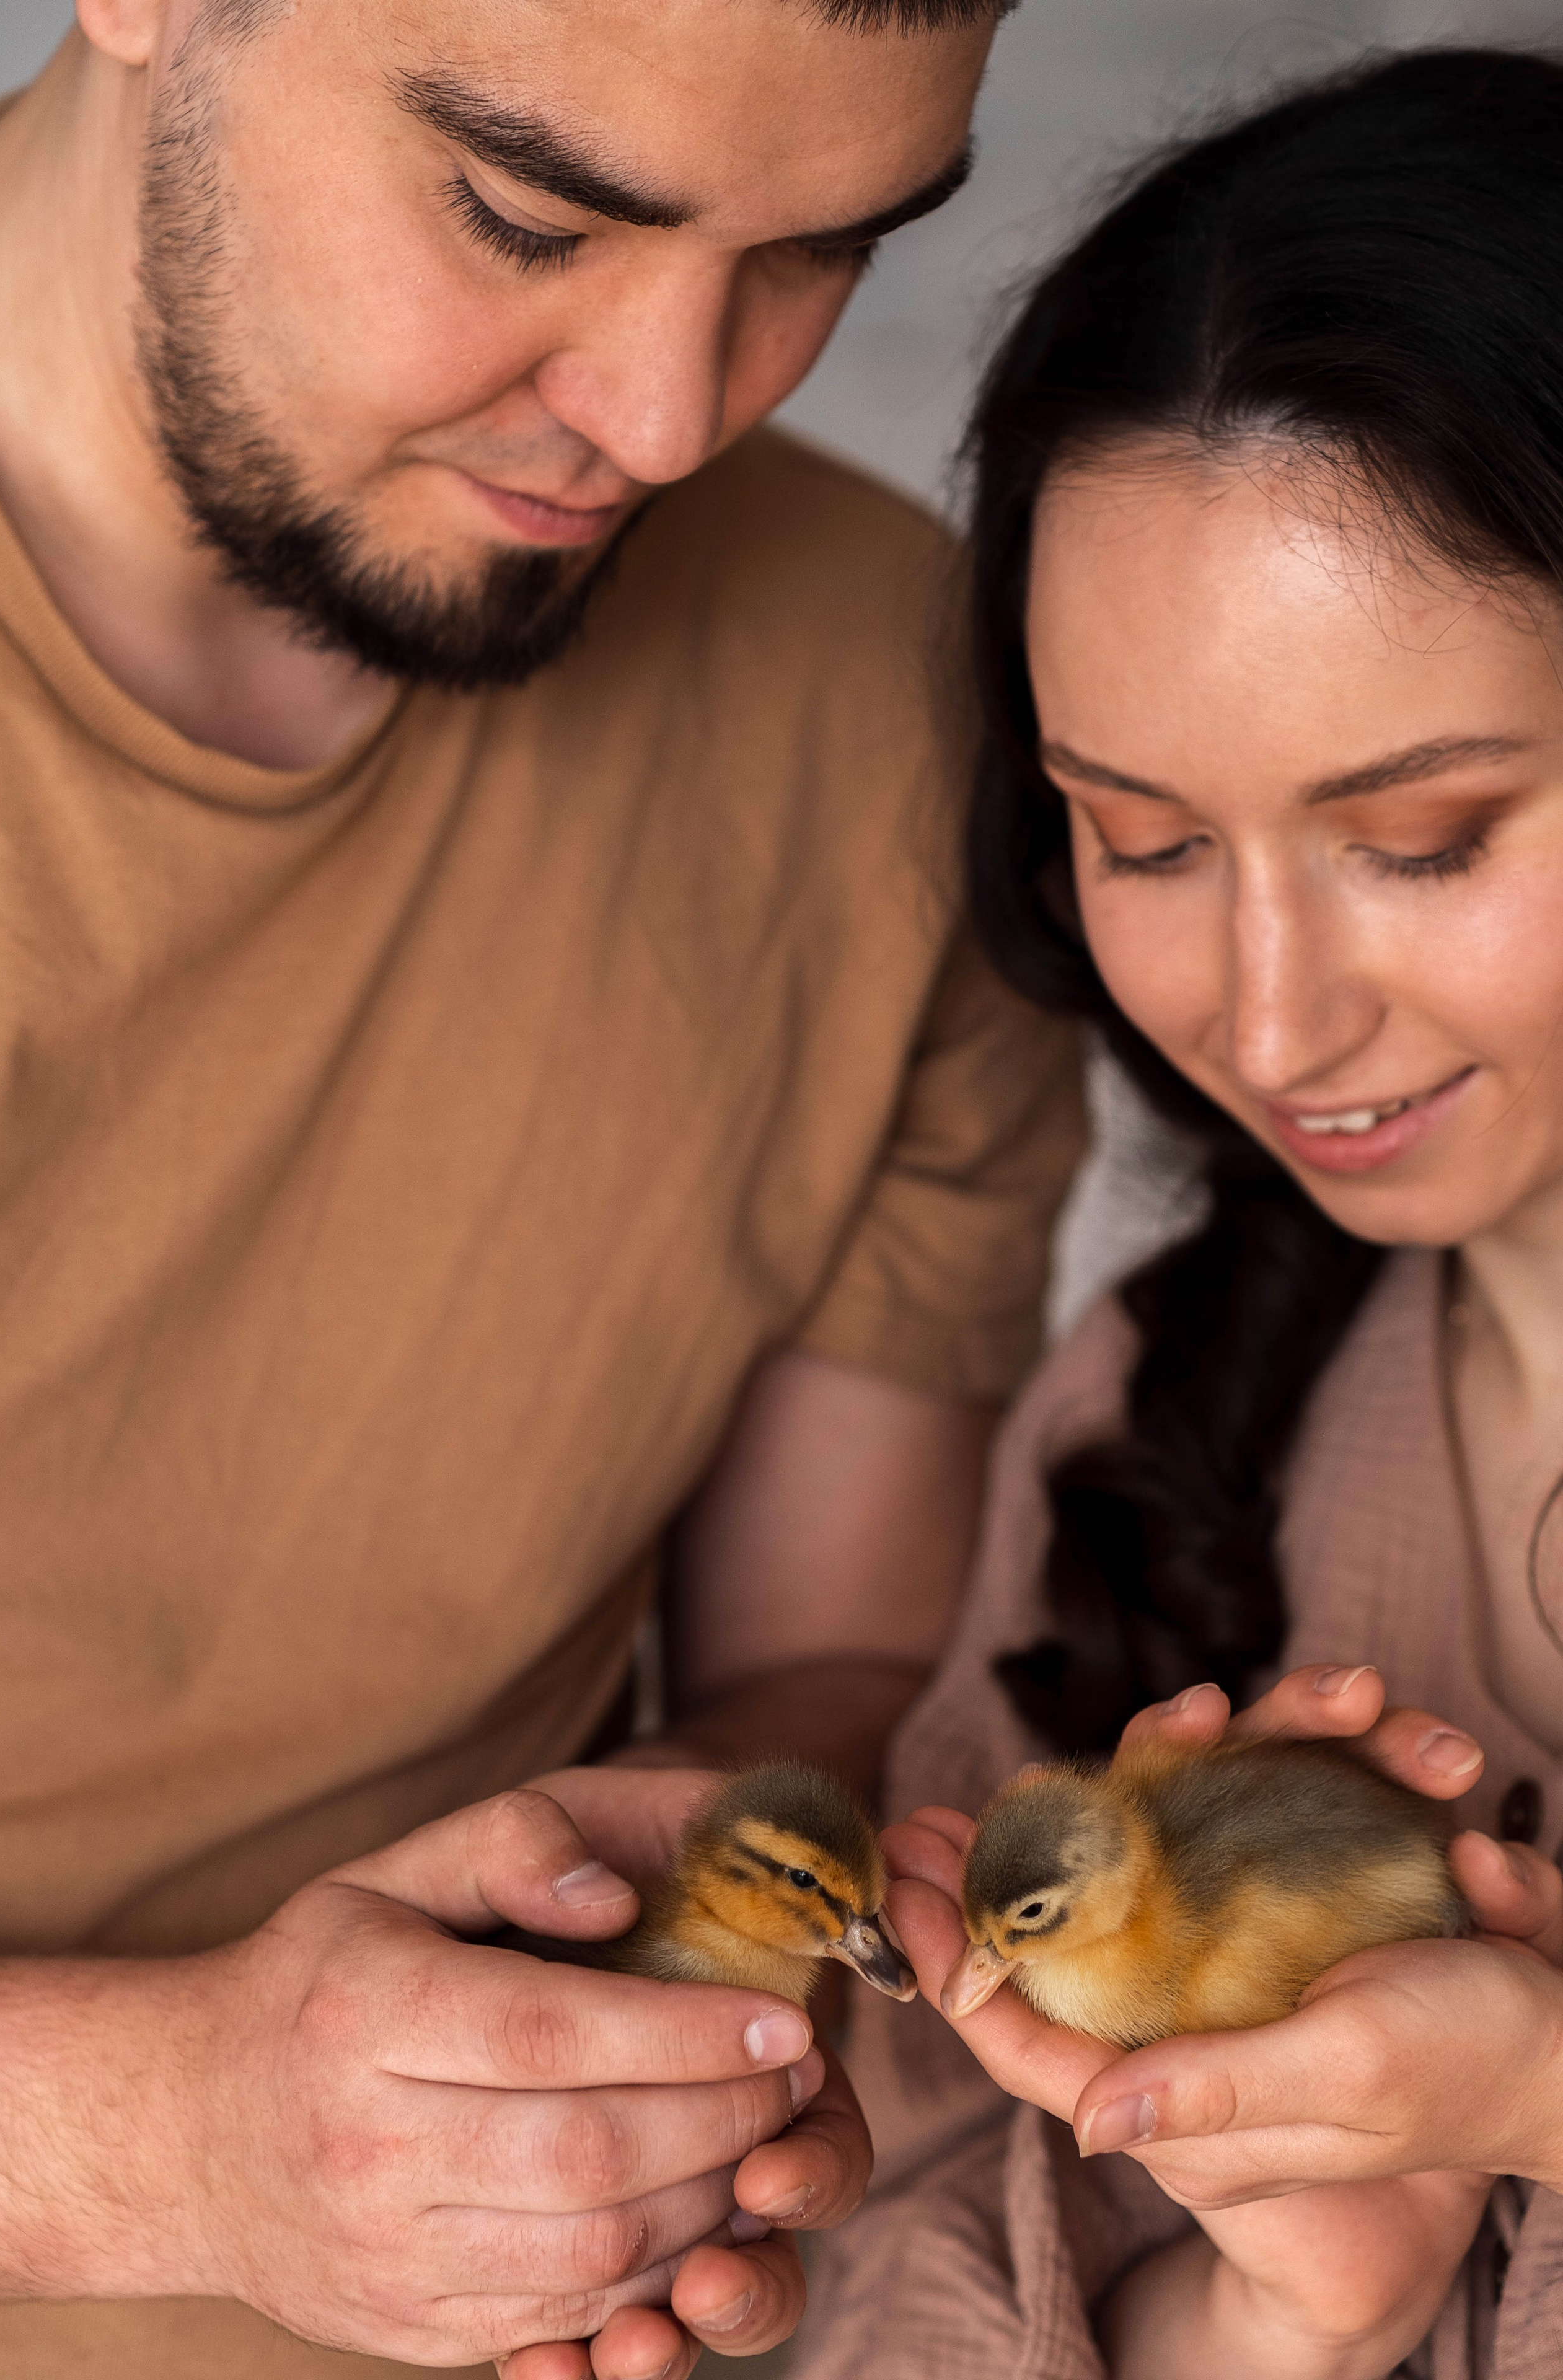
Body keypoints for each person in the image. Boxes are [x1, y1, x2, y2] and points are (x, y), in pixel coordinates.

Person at [0, 1, 1090, 2376]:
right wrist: (166, 2140)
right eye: (527, 216)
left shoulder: (903, 700)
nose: (672, 421)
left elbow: (816, 1673)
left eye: (824, 251)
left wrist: (659, 1986)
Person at [790, 46, 1563, 2380]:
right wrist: (1280, 2312)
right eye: (1142, 840)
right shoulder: (1160, 1410)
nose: (1271, 1017)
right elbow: (875, 2290)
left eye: (1422, 839)